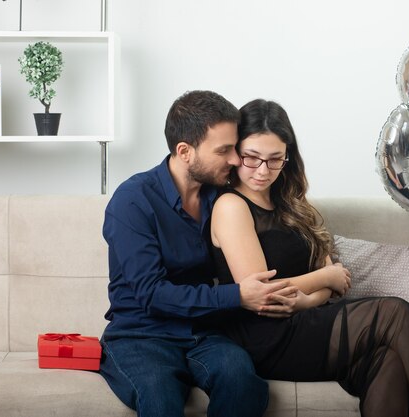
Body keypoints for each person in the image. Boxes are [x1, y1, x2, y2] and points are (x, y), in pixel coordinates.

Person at [209, 98, 409, 417]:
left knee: (388, 361)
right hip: (265, 337)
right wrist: (326, 278)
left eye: (274, 159)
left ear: (287, 159)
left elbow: (332, 286)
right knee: (393, 313)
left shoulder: (293, 207)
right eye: (251, 158)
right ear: (235, 153)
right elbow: (264, 295)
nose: (262, 171)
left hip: (308, 321)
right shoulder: (231, 206)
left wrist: (309, 298)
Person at [100, 91, 294, 417]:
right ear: (185, 152)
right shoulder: (132, 201)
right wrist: (237, 296)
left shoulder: (220, 197)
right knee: (159, 394)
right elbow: (151, 294)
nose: (235, 160)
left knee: (243, 382)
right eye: (224, 151)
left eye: (234, 148)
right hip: (140, 335)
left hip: (203, 334)